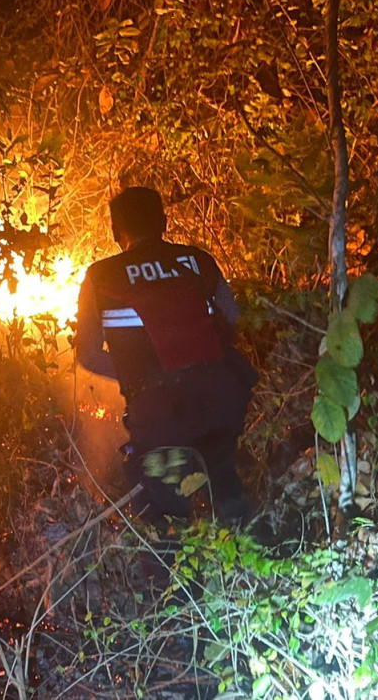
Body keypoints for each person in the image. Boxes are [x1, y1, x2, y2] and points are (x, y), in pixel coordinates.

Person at [76, 187, 257, 524]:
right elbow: (234, 320)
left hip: (160, 413)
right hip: (221, 399)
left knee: (163, 513)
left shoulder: (101, 276)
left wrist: (138, 377)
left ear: (115, 231)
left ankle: (170, 566)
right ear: (164, 222)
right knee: (225, 482)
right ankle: (250, 551)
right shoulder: (199, 261)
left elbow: (87, 354)